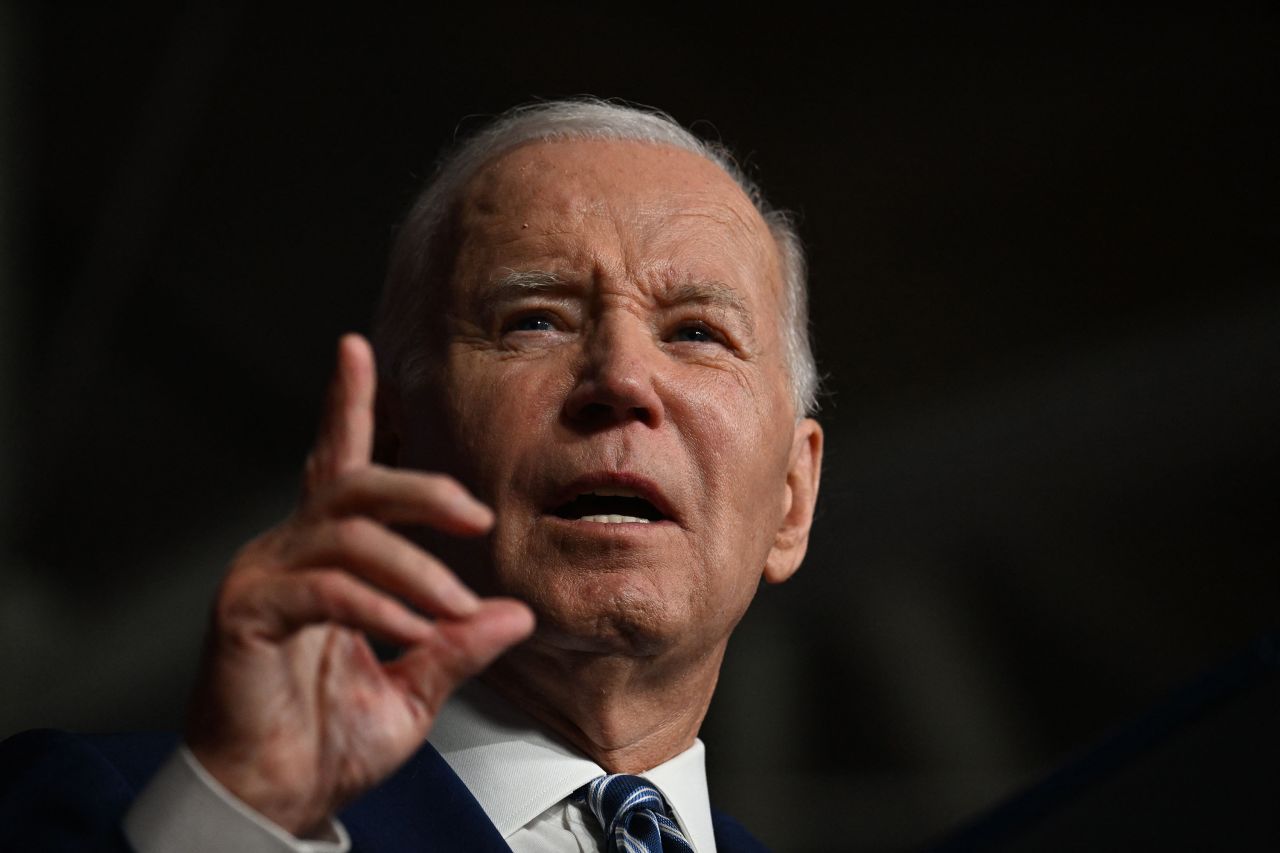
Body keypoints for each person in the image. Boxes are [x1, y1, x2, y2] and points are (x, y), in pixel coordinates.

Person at [0, 99, 823, 852]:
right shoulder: (118, 815)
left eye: (699, 333)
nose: (621, 379)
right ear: (389, 449)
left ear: (792, 498)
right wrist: (241, 818)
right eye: (534, 320)